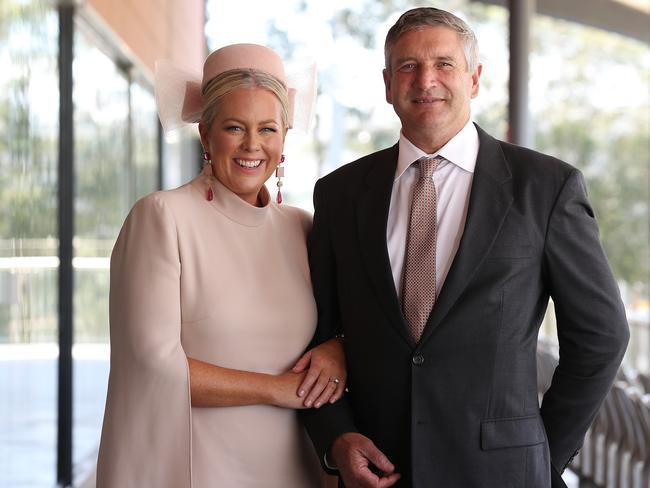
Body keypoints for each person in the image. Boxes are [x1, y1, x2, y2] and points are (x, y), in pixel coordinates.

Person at [301, 7, 629, 488]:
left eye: (444, 64)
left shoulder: (545, 187)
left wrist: (539, 457)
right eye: (408, 66)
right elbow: (316, 334)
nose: (425, 79)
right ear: (388, 84)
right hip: (378, 469)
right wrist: (337, 437)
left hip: (503, 473)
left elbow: (601, 337)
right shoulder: (339, 193)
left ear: (474, 79)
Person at [96, 43, 345, 488]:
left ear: (285, 136)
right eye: (235, 127)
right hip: (197, 467)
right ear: (205, 133)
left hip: (294, 467)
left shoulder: (303, 227)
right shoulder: (162, 217)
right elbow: (152, 366)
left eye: (268, 128)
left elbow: (337, 328)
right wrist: (276, 389)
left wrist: (336, 348)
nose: (253, 145)